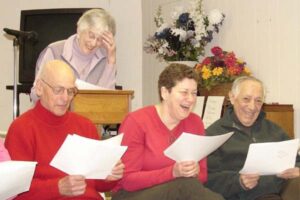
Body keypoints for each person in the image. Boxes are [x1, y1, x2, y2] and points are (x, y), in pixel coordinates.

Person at [5, 60, 124, 199]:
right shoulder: (22, 128)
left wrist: (109, 176)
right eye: (58, 90)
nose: (65, 98)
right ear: (39, 88)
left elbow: (99, 185)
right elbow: (16, 192)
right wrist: (57, 188)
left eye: (70, 91)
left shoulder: (85, 126)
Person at [112, 63, 224, 200]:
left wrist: (195, 171)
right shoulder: (136, 121)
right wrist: (172, 172)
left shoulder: (195, 123)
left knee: (202, 191)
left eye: (194, 93)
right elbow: (127, 180)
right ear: (165, 92)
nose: (191, 99)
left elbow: (203, 175)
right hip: (132, 194)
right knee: (187, 186)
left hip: (179, 191)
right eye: (184, 92)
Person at [205, 76, 300, 200]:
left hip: (279, 193)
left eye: (258, 101)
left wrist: (298, 169)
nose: (252, 107)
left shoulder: (274, 130)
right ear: (232, 98)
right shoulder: (214, 134)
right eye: (246, 99)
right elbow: (208, 179)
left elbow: (296, 159)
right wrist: (238, 182)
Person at [30, 8, 117, 101]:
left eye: (99, 39)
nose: (94, 43)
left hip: (90, 114)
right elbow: (35, 95)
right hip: (57, 114)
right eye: (91, 36)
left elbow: (108, 100)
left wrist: (111, 61)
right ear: (80, 30)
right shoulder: (55, 51)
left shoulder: (105, 58)